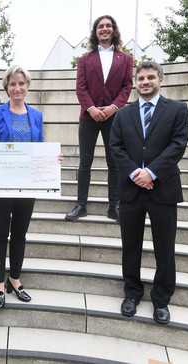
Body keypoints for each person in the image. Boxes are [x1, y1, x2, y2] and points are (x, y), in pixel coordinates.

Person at [110, 61, 188, 324]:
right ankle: (132, 293)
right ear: (136, 82)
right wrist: (135, 173)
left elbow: (178, 145)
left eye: (151, 77)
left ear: (160, 80)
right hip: (131, 190)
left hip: (163, 189)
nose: (145, 82)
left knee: (164, 247)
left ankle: (161, 299)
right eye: (141, 78)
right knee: (130, 246)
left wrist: (151, 172)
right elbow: (116, 148)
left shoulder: (177, 109)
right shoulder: (123, 113)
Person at [0, 65, 59, 309]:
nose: (17, 88)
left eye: (21, 83)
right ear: (6, 87)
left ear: (27, 86)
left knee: (20, 233)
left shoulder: (36, 115)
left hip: (28, 183)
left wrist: (51, 159)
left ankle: (14, 278)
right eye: (13, 84)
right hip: (2, 182)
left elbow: (40, 146)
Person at [65, 15, 133, 223]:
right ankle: (81, 205)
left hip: (114, 117)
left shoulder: (126, 59)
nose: (104, 29)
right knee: (85, 162)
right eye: (100, 26)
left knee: (114, 163)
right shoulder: (85, 60)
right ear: (95, 32)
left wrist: (114, 107)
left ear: (114, 30)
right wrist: (91, 108)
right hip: (88, 117)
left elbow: (127, 86)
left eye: (108, 26)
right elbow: (81, 88)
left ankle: (114, 206)